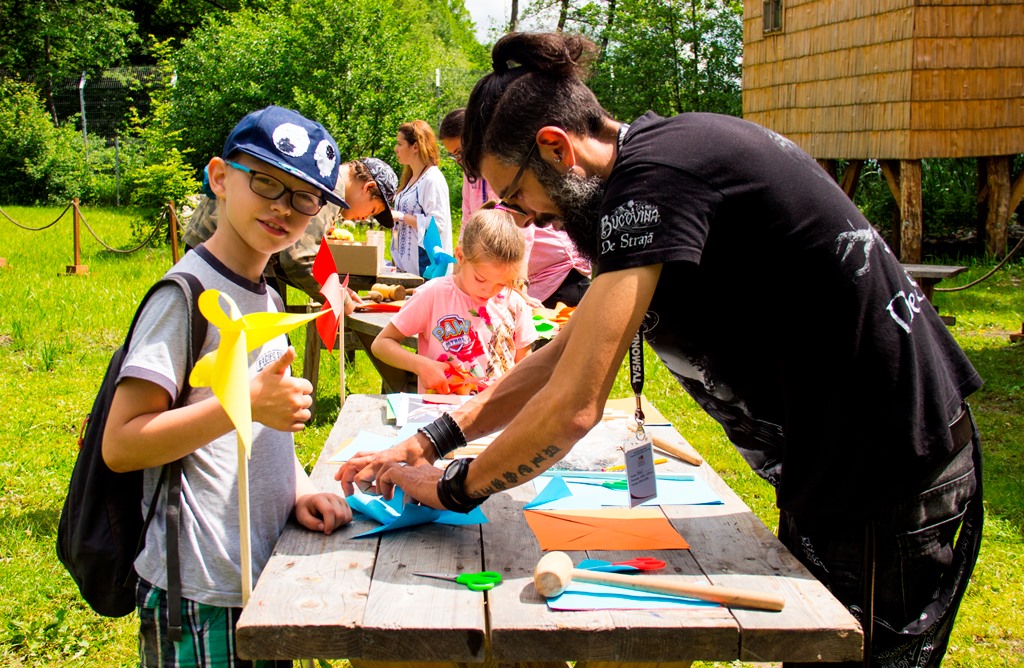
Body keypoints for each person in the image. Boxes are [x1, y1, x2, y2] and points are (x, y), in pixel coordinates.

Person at [338, 33, 985, 668]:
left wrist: (453, 487)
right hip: (850, 464)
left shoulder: (654, 184)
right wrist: (434, 439)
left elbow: (573, 406)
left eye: (516, 196)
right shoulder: (657, 164)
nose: (525, 220)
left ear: (555, 147)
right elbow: (565, 353)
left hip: (885, 471)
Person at [104, 105, 354, 667]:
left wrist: (302, 489)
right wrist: (243, 403)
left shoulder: (265, 295)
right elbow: (122, 444)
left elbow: (259, 436)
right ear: (219, 177)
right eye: (266, 181)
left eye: (304, 197)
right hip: (200, 586)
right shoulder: (184, 296)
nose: (283, 207)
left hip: (261, 575)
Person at [371, 203, 537, 394]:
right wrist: (420, 365)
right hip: (443, 414)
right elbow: (381, 344)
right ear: (461, 256)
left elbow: (525, 363)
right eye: (480, 279)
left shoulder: (513, 301)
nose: (489, 290)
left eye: (501, 283)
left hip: (497, 414)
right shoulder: (433, 295)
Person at [183, 156, 398, 301]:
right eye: (372, 210)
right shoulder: (331, 188)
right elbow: (298, 259)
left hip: (225, 248)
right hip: (226, 254)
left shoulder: (326, 176)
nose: (365, 218)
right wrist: (337, 295)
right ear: (368, 187)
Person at [439, 107, 591, 308]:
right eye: (453, 156)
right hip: (522, 277)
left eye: (460, 152)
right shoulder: (472, 176)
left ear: (477, 138)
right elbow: (469, 225)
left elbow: (519, 230)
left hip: (559, 274)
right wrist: (456, 281)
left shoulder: (504, 165)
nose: (459, 160)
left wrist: (519, 285)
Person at [389, 120, 453, 277]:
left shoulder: (432, 179)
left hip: (426, 270)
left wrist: (402, 217)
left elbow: (437, 225)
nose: (395, 149)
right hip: (406, 268)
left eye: (400, 144)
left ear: (415, 147)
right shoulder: (410, 179)